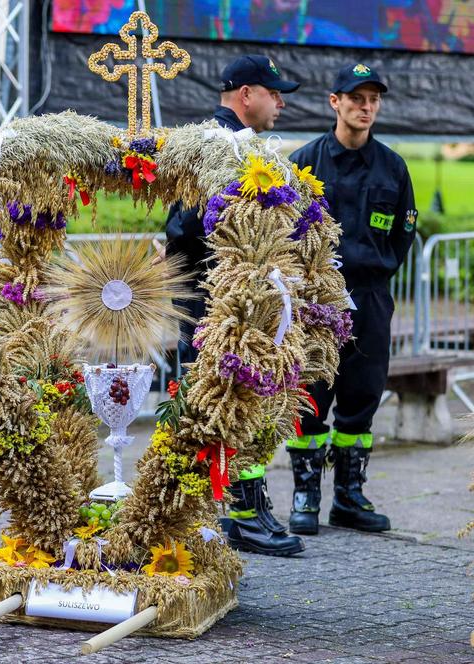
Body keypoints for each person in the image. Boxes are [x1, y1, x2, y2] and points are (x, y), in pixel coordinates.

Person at [161, 55, 305, 557]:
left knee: (241, 405)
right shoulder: (215, 147)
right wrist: (231, 278)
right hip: (212, 306)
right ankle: (221, 515)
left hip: (231, 304)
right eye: (274, 92)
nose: (281, 102)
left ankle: (236, 509)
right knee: (217, 408)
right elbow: (183, 229)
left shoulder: (241, 148)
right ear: (247, 94)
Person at [287, 63, 417, 535]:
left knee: (362, 397)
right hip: (316, 302)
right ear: (334, 102)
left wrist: (375, 276)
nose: (365, 107)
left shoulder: (392, 167)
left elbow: (404, 231)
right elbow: (284, 233)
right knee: (310, 397)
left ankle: (349, 496)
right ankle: (305, 496)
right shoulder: (304, 163)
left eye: (373, 100)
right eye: (356, 98)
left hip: (371, 297)